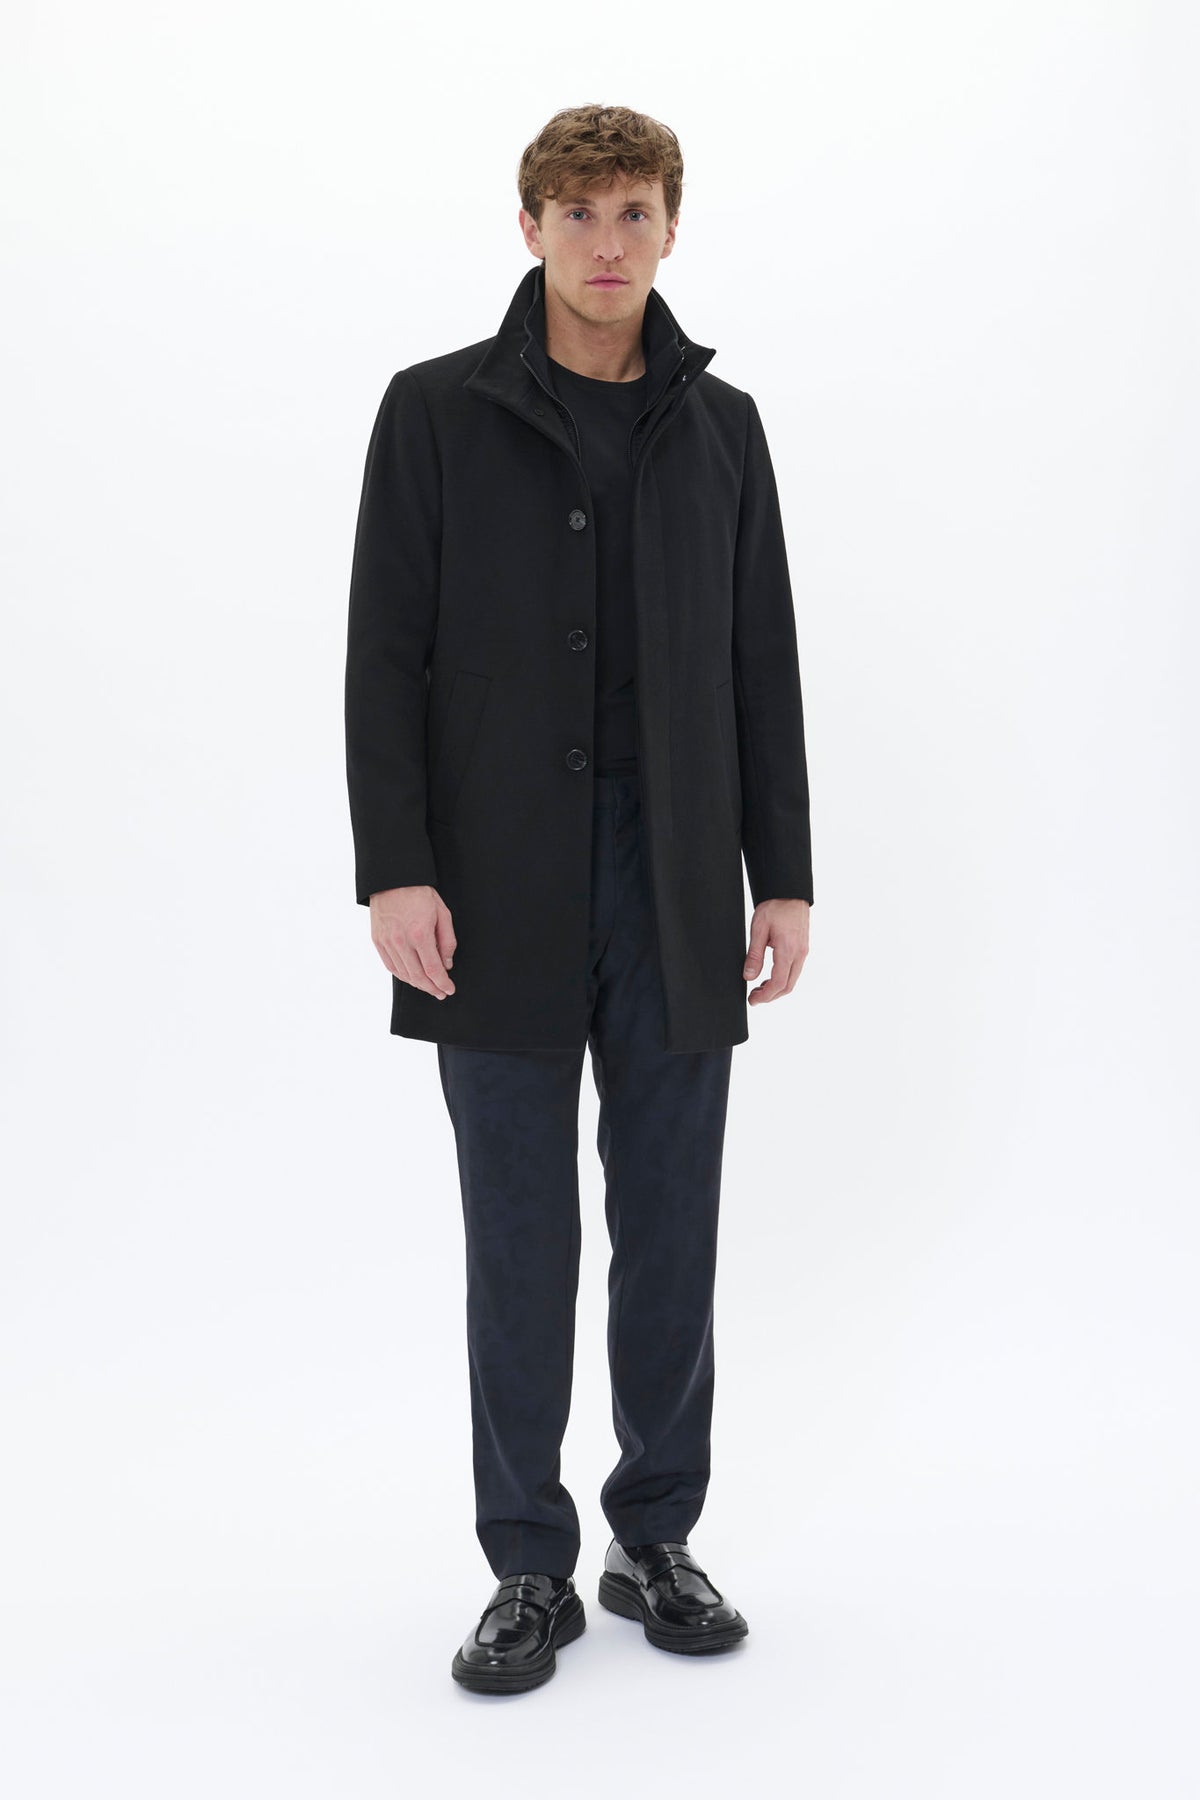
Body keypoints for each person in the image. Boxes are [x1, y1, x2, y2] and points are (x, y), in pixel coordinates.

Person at [344, 102, 813, 1694]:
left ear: (672, 229)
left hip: (676, 875)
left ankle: (653, 1536)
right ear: (529, 227)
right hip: (491, 879)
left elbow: (762, 658)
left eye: (633, 214)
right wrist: (395, 866)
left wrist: (782, 877)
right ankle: (527, 1565)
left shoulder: (724, 426)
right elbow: (384, 653)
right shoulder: (434, 411)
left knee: (671, 1218)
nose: (607, 244)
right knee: (521, 1229)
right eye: (578, 214)